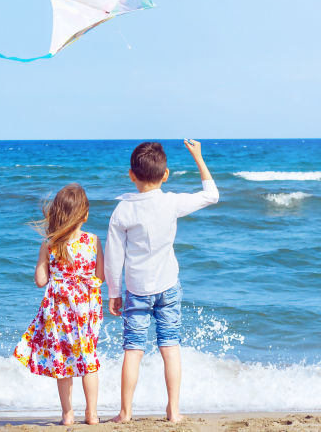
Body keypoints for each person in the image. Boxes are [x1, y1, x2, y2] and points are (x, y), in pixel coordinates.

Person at [105, 139, 218, 423]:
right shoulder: (171, 202)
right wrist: (198, 157)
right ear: (165, 175)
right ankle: (174, 410)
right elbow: (211, 195)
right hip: (168, 286)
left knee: (133, 349)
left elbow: (113, 257)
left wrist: (114, 293)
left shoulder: (123, 211)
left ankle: (125, 412)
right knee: (170, 346)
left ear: (131, 175)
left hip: (136, 289)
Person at [13, 183, 105, 425]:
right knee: (88, 360)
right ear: (85, 215)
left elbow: (40, 281)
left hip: (59, 313)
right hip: (85, 311)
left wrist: (42, 263)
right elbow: (100, 277)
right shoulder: (93, 241)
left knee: (63, 362)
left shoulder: (50, 244)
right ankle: (92, 414)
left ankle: (67, 415)